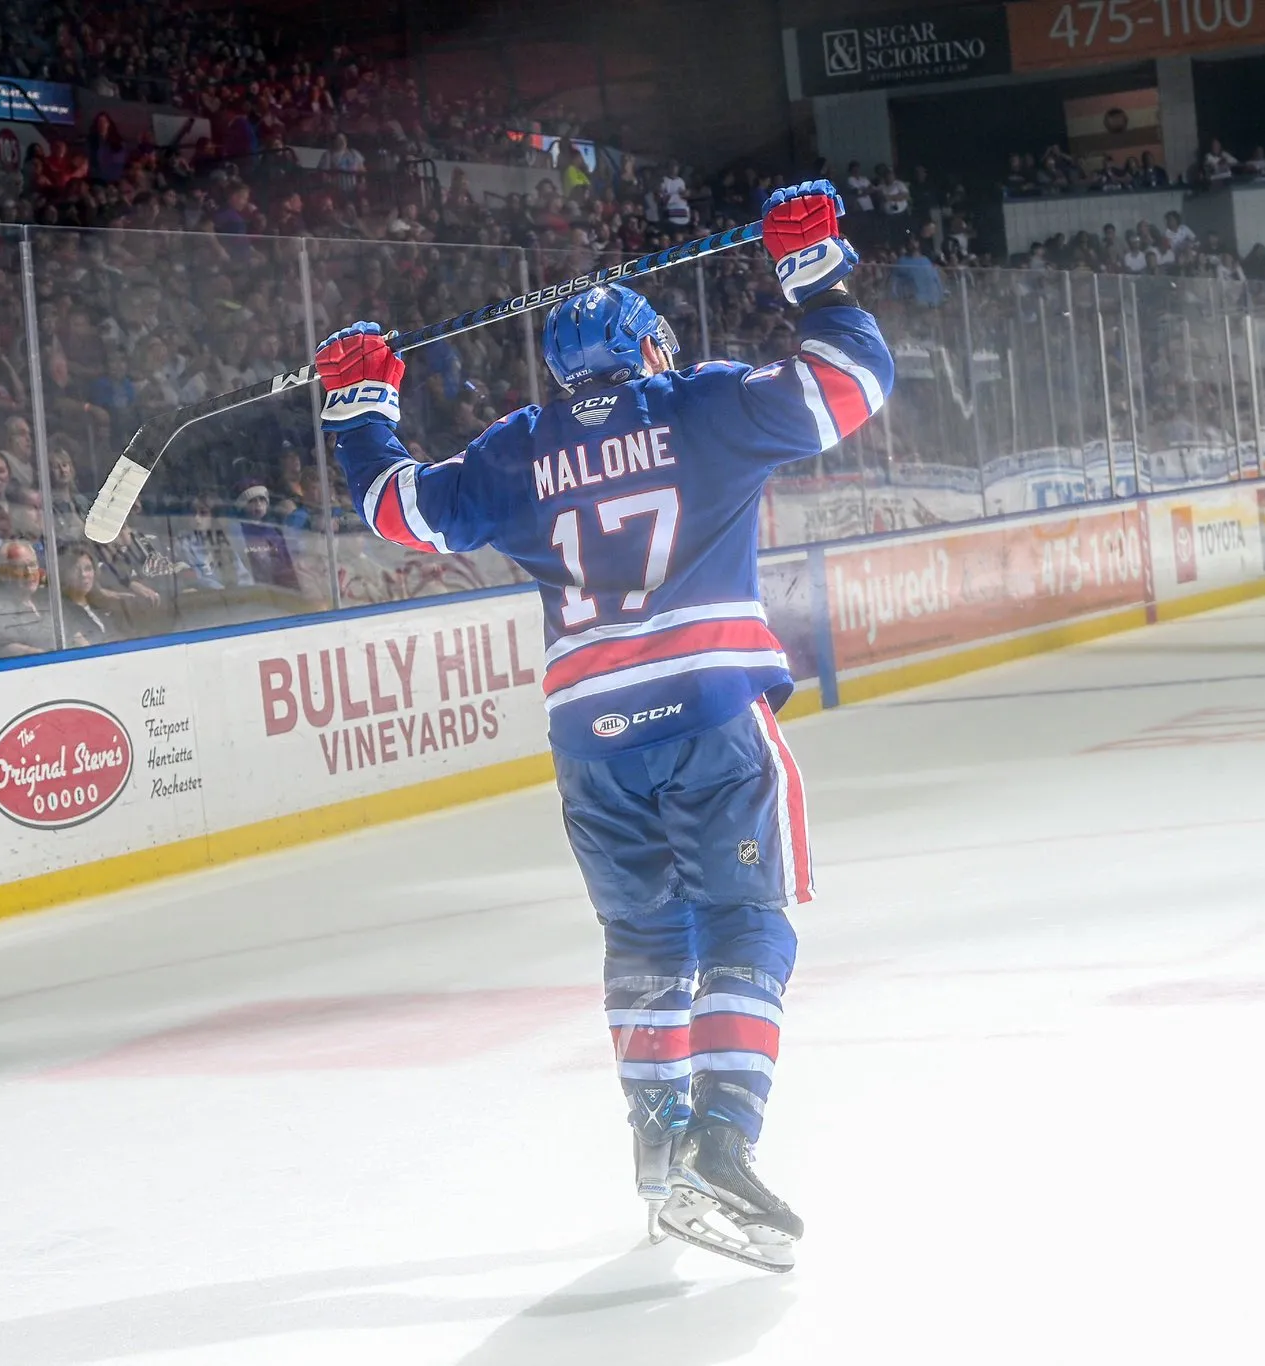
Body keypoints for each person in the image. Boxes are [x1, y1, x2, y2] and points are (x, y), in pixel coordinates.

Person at [313, 180, 893, 1273]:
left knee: (641, 935)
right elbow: (852, 383)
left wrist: (358, 410)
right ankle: (722, 1143)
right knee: (746, 921)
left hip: (591, 736)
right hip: (711, 709)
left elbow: (399, 510)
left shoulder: (513, 447)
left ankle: (656, 1140)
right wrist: (813, 272)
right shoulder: (702, 406)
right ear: (646, 348)